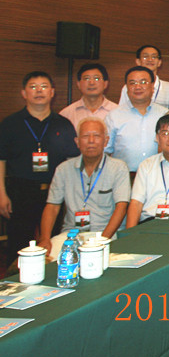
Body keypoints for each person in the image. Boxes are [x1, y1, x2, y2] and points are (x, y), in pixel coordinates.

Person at [0, 72, 79, 262]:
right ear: (24, 93)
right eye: (33, 86)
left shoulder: (63, 124)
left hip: (55, 193)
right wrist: (1, 194)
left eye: (44, 86)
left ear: (52, 92)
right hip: (20, 192)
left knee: (54, 244)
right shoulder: (10, 124)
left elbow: (73, 162)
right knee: (18, 245)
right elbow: (1, 160)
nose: (39, 91)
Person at [38, 118, 130, 256]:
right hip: (71, 236)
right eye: (86, 136)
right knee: (48, 258)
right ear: (77, 142)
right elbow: (52, 206)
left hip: (107, 235)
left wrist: (102, 241)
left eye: (96, 136)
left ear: (106, 141)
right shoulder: (63, 169)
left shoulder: (118, 168)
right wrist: (44, 239)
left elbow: (121, 207)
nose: (91, 141)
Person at [105, 66, 169, 173]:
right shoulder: (113, 116)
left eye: (143, 82)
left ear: (152, 86)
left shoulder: (165, 114)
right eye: (132, 83)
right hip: (124, 177)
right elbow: (105, 151)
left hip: (157, 176)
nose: (138, 87)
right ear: (126, 88)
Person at [59, 63, 118, 131]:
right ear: (78, 84)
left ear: (105, 84)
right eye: (86, 78)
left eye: (96, 78)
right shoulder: (66, 114)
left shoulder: (117, 112)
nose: (91, 83)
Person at [118, 45, 169, 109]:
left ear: (159, 62)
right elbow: (122, 110)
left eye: (154, 57)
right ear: (138, 61)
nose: (150, 60)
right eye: (145, 57)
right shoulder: (129, 87)